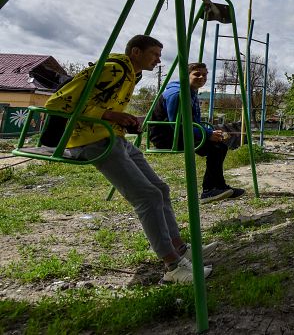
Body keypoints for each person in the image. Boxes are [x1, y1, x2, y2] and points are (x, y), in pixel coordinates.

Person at [45, 35, 216, 283]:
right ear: (136, 52)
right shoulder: (112, 69)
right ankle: (173, 266)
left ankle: (180, 247)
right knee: (146, 196)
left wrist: (123, 118)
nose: (158, 60)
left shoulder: (129, 74)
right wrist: (109, 114)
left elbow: (100, 103)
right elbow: (58, 102)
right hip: (90, 139)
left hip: (113, 136)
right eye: (154, 54)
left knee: (160, 188)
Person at [148, 62, 245, 204]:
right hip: (166, 136)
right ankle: (210, 190)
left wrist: (209, 132)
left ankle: (218, 186)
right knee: (216, 148)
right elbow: (178, 124)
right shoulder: (178, 94)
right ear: (186, 76)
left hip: (178, 132)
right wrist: (206, 134)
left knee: (220, 146)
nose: (202, 77)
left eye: (204, 75)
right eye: (196, 74)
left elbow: (193, 122)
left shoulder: (191, 92)